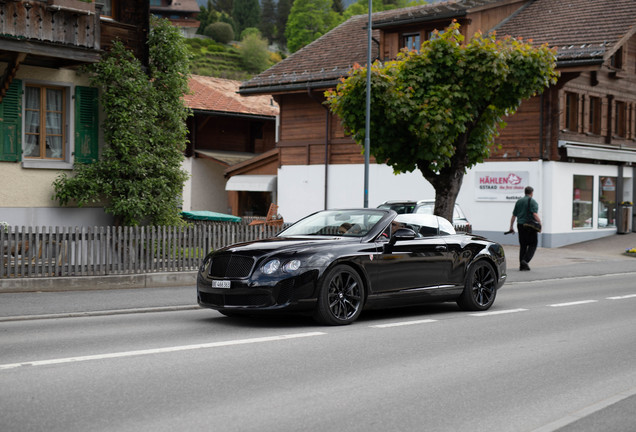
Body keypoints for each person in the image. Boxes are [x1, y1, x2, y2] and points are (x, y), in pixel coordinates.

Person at [509, 186, 541, 271]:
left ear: (525, 192)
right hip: (530, 226)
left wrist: (511, 227)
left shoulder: (519, 202)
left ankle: (522, 266)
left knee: (523, 245)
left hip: (520, 225)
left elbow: (514, 215)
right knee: (533, 244)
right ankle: (525, 261)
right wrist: (540, 223)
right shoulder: (533, 202)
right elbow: (534, 214)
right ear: (531, 193)